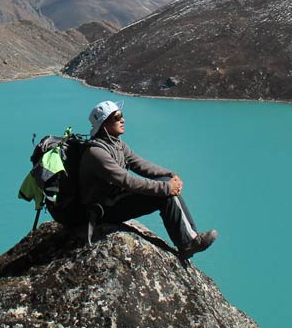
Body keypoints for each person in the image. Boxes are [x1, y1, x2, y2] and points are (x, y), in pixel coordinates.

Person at [78, 100, 218, 258]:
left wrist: (171, 175)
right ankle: (188, 243)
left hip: (114, 200)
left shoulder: (116, 144)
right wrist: (167, 187)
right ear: (104, 124)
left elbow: (140, 164)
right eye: (117, 117)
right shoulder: (97, 153)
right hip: (104, 210)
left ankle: (191, 237)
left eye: (121, 116)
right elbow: (127, 180)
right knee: (165, 195)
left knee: (166, 184)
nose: (123, 120)